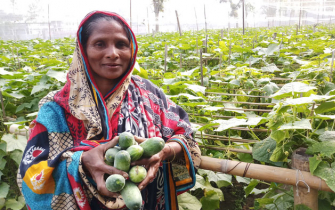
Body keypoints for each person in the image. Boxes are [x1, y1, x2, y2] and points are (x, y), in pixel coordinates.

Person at [17, 11, 201, 210]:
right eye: (99, 44)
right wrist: (80, 162)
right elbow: (31, 174)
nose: (113, 53)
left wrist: (164, 151)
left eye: (121, 44)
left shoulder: (149, 94)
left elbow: (184, 133)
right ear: (83, 50)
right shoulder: (56, 109)